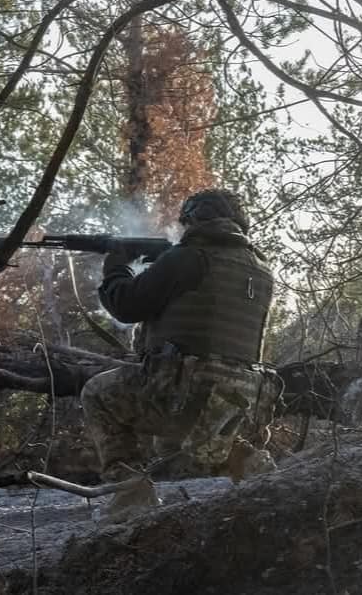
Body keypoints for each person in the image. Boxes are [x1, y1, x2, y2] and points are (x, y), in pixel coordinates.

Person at [80, 188, 276, 518]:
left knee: (97, 393)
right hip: (242, 403)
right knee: (178, 439)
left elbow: (125, 306)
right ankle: (254, 466)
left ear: (195, 219)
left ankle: (130, 494)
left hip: (186, 393)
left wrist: (116, 266)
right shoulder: (261, 268)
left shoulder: (187, 258)